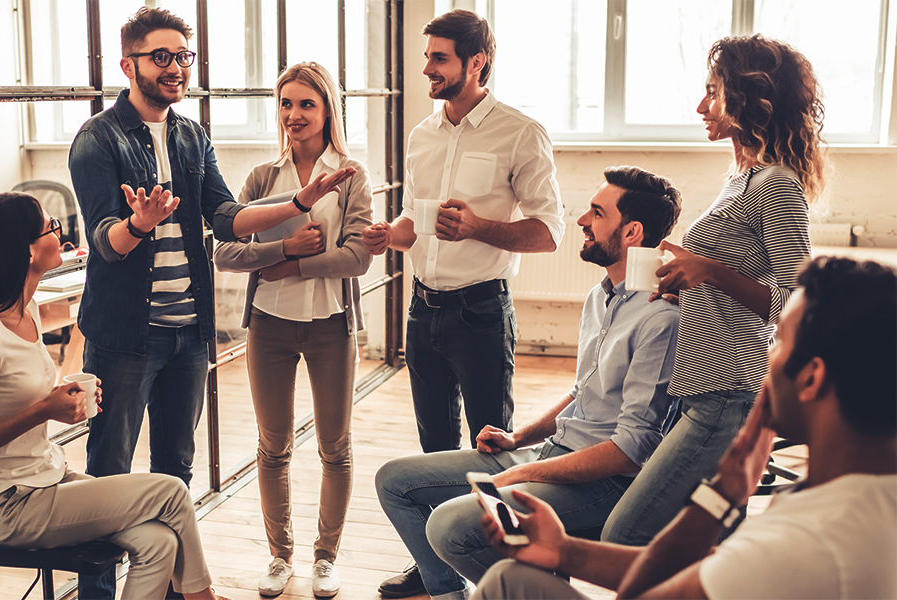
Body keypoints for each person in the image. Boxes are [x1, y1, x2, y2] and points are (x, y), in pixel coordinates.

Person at [67, 9, 353, 595]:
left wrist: (298, 201)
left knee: (175, 473)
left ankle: (171, 588)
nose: (176, 68)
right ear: (129, 65)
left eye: (184, 56)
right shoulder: (97, 139)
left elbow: (225, 218)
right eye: (162, 57)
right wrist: (139, 226)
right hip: (124, 338)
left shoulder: (191, 135)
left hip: (188, 334)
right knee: (107, 476)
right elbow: (104, 242)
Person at [475, 256, 896, 600]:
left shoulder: (801, 545)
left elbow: (642, 594)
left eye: (778, 339)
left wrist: (721, 496)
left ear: (811, 378)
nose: (767, 356)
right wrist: (565, 551)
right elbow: (717, 567)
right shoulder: (865, 497)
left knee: (504, 584)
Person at [375, 167, 682, 600]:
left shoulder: (661, 318)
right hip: (551, 452)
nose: (581, 221)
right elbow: (583, 392)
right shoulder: (602, 296)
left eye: (597, 213)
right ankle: (451, 594)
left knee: (448, 526)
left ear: (632, 232)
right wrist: (519, 438)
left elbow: (632, 450)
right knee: (393, 481)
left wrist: (527, 471)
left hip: (598, 482)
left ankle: (533, 590)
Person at [0, 192, 228, 600]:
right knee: (171, 491)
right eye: (51, 228)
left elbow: (18, 401)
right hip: (7, 504)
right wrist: (44, 410)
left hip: (47, 478)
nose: (60, 233)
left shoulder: (29, 310)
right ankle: (203, 597)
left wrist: (60, 402)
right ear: (27, 250)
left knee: (159, 542)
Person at [602, 34, 826, 546]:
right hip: (698, 387)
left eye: (713, 92)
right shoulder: (739, 177)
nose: (701, 106)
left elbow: (798, 304)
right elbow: (734, 276)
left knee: (626, 531)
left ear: (747, 100)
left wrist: (709, 272)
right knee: (702, 544)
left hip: (728, 392)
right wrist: (689, 278)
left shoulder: (775, 184)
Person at [362, 9, 566, 456]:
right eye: (427, 56)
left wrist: (477, 227)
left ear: (476, 63)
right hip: (421, 311)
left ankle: (483, 527)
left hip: (481, 315)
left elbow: (549, 233)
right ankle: (439, 528)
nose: (426, 69)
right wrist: (387, 236)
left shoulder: (521, 133)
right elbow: (412, 222)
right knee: (434, 448)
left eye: (439, 59)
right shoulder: (421, 136)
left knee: (491, 445)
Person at [212, 62, 373, 598]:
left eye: (307, 103)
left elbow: (356, 259)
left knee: (335, 447)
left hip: (331, 326)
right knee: (272, 445)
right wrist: (283, 248)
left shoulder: (351, 175)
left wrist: (295, 266)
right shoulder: (263, 178)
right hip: (270, 328)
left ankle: (325, 558)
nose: (295, 115)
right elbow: (226, 250)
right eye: (286, 103)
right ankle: (280, 557)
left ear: (328, 109)